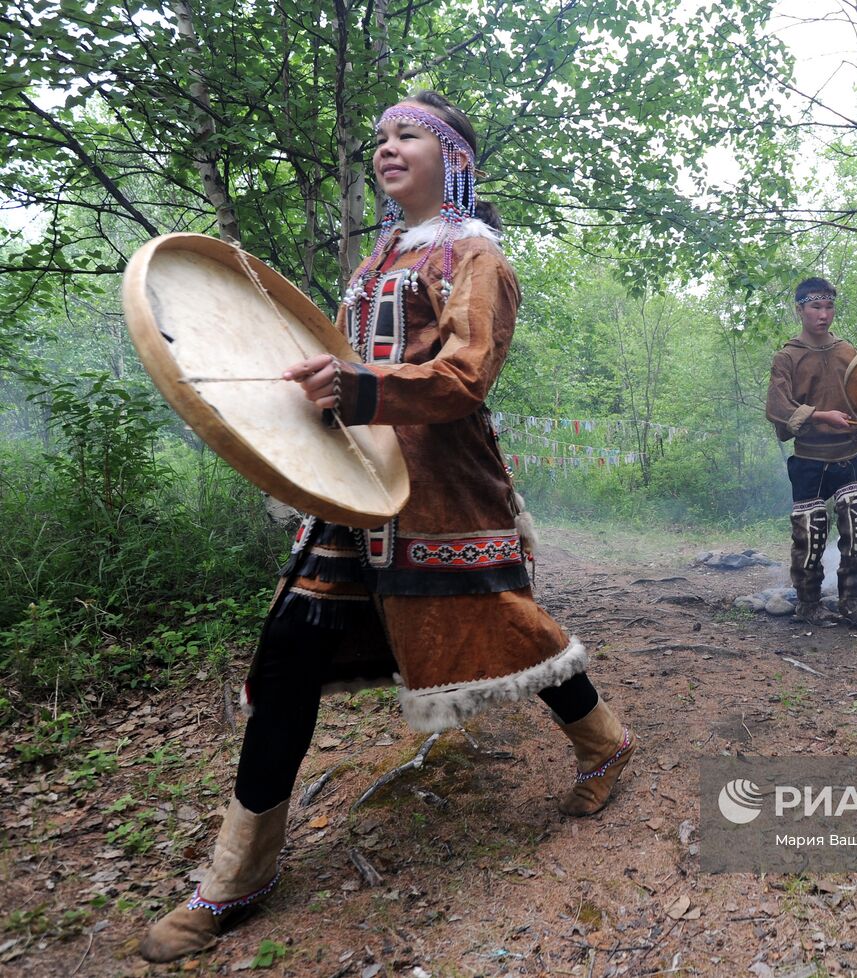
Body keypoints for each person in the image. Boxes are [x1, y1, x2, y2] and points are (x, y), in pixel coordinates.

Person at [139, 91, 635, 963]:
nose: (387, 147)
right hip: (349, 488)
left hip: (443, 493)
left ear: (456, 157)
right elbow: (333, 360)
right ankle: (235, 877)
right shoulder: (376, 263)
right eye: (379, 138)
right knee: (290, 653)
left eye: (408, 134)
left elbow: (467, 374)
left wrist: (360, 389)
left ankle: (607, 746)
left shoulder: (476, 258)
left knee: (509, 634)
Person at [764, 277, 857, 629]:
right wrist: (820, 414)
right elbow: (777, 407)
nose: (823, 315)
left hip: (852, 453)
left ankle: (851, 600)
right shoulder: (787, 357)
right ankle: (809, 603)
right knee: (810, 535)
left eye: (829, 307)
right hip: (810, 457)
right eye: (815, 307)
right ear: (799, 309)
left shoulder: (849, 352)